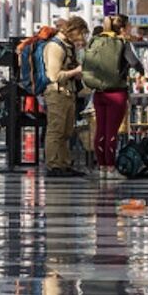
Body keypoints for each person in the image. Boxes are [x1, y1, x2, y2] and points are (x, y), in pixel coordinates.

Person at [86, 15, 140, 174]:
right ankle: (110, 166)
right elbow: (134, 62)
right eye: (129, 26)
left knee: (100, 130)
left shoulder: (97, 41)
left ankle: (102, 165)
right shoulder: (122, 43)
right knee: (112, 131)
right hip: (117, 93)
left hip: (99, 92)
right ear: (122, 28)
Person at [42, 16, 88, 177]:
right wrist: (76, 72)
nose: (82, 38)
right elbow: (54, 75)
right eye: (81, 34)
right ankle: (54, 165)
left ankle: (64, 163)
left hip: (68, 92)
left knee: (67, 131)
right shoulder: (56, 47)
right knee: (56, 130)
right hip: (57, 93)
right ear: (74, 31)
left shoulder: (67, 46)